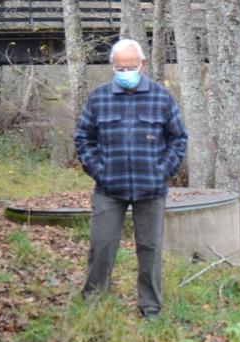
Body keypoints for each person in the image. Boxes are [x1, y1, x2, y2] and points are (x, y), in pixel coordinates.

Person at [73, 38, 188, 318]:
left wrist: (162, 173)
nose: (125, 72)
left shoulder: (162, 98)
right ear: (113, 67)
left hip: (151, 191)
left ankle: (150, 307)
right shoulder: (99, 98)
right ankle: (93, 303)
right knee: (102, 246)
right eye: (119, 68)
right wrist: (99, 171)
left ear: (143, 65)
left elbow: (178, 139)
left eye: (130, 67)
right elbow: (83, 138)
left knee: (149, 249)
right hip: (109, 189)